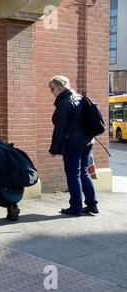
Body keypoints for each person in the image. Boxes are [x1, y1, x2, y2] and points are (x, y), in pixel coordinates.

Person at [48, 76, 99, 215]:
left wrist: (53, 149)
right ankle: (92, 204)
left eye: (52, 89)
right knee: (83, 172)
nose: (52, 92)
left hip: (73, 144)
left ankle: (76, 207)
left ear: (59, 88)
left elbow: (59, 129)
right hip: (87, 141)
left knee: (73, 175)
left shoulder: (64, 103)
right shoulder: (78, 97)